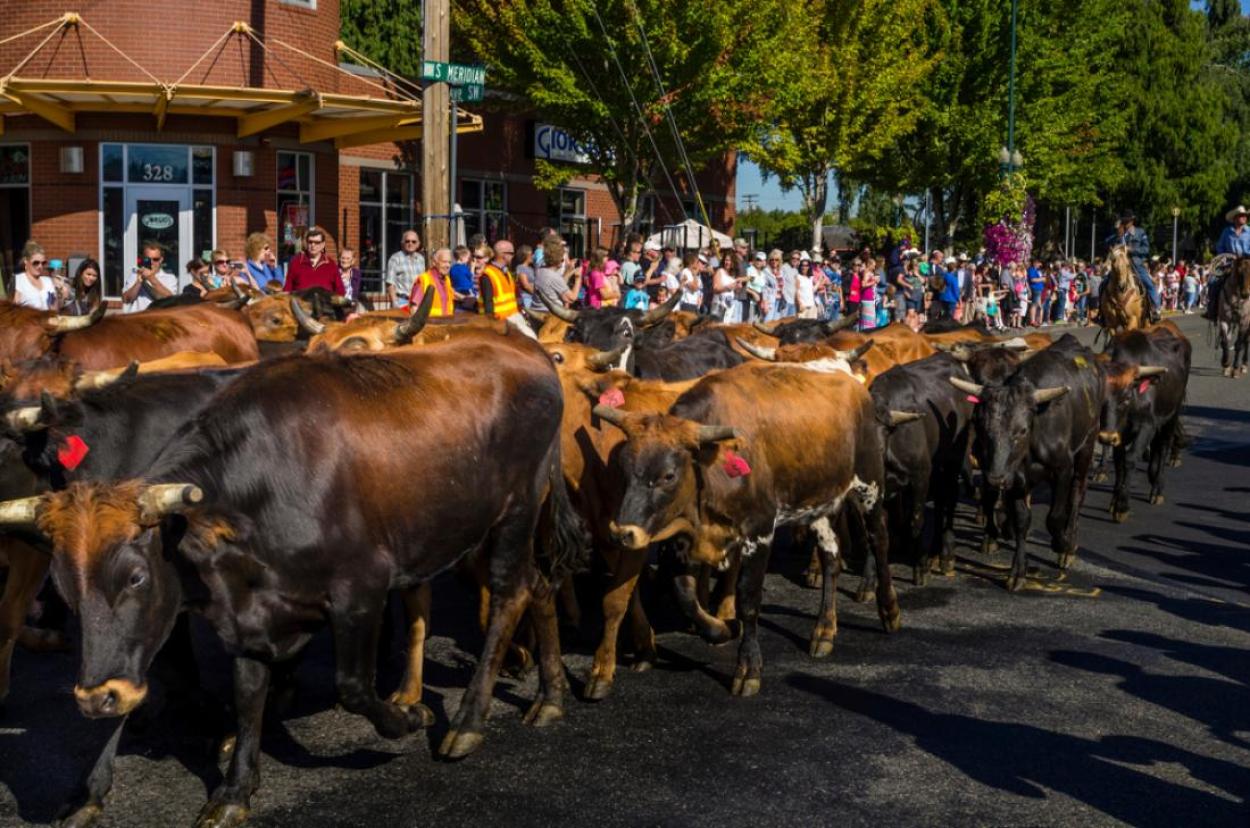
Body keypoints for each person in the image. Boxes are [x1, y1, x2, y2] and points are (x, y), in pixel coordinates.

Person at [1105, 210, 1160, 324]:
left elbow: (1146, 249)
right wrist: (1116, 232)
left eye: (1127, 220)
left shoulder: (1140, 232)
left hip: (1135, 263)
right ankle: (1102, 313)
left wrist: (1132, 249)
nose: (1125, 222)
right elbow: (1106, 242)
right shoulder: (1119, 233)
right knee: (1104, 283)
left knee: (1149, 284)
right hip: (1120, 264)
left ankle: (1155, 309)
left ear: (1132, 221)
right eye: (1124, 220)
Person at [1207, 205, 1250, 320]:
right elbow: (1220, 247)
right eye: (1241, 216)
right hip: (1229, 261)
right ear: (1235, 218)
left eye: (1245, 216)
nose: (1244, 218)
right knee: (1213, 281)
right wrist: (1225, 257)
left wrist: (1245, 254)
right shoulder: (1227, 232)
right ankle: (1212, 310)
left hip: (1247, 261)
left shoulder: (1249, 232)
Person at [284, 226, 342, 295]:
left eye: (317, 242)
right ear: (306, 243)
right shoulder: (296, 262)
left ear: (323, 245)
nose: (313, 245)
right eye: (310, 242)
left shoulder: (330, 264)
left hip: (323, 304)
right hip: (302, 304)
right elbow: (287, 289)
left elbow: (340, 291)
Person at [122, 240, 177, 312]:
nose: (152, 262)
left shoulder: (170, 278)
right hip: (138, 318)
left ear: (161, 260)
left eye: (155, 259)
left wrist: (151, 278)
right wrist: (138, 282)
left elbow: (171, 301)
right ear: (143, 258)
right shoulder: (135, 274)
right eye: (147, 259)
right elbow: (126, 300)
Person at [532, 234, 582, 312]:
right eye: (563, 260)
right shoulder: (553, 276)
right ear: (558, 260)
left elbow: (557, 285)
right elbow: (572, 298)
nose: (563, 262)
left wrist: (568, 272)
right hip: (549, 315)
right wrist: (578, 278)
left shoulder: (540, 271)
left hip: (538, 311)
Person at [409, 247, 456, 318]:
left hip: (446, 325)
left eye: (449, 262)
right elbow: (414, 308)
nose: (448, 265)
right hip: (430, 326)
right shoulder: (424, 279)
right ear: (434, 262)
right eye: (444, 262)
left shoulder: (447, 280)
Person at [478, 240, 520, 320]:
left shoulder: (506, 273)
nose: (513, 257)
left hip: (510, 322)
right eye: (511, 253)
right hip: (497, 324)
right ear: (504, 255)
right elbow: (488, 303)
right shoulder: (488, 274)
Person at [385, 229, 425, 309]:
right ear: (402, 243)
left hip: (418, 302)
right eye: (407, 241)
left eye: (414, 242)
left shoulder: (421, 259)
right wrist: (394, 302)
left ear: (418, 244)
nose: (410, 244)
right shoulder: (395, 258)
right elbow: (390, 283)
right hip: (402, 301)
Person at [13, 241, 59, 311]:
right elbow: (14, 310)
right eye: (36, 263)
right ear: (26, 261)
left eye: (43, 263)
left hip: (47, 320)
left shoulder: (48, 281)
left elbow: (54, 309)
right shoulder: (19, 280)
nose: (40, 266)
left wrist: (60, 294)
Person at [515, 244, 536, 309]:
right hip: (526, 298)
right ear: (526, 256)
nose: (533, 256)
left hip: (532, 297)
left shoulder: (531, 268)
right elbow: (525, 285)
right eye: (531, 254)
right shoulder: (521, 267)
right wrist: (538, 295)